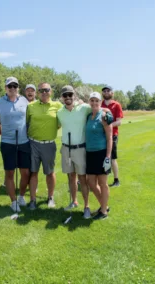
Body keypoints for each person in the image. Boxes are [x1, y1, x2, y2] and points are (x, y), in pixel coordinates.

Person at [0, 77, 30, 212]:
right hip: (7, 143)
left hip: (24, 142)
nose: (12, 88)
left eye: (15, 86)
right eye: (10, 86)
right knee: (10, 173)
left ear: (18, 87)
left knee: (25, 173)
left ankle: (21, 196)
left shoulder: (24, 100)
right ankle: (13, 202)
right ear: (5, 88)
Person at [57, 85, 95, 219]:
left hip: (80, 149)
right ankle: (74, 201)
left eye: (70, 95)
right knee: (70, 177)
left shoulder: (84, 108)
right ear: (62, 97)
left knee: (82, 179)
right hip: (66, 148)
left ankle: (87, 206)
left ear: (74, 96)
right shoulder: (60, 112)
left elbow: (97, 108)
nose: (68, 97)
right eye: (65, 95)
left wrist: (107, 110)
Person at [26, 82, 62, 210]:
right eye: (41, 90)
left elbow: (70, 112)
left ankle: (50, 197)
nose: (44, 92)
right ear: (38, 92)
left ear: (51, 91)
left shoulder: (58, 106)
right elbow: (25, 123)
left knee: (50, 173)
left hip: (49, 144)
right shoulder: (31, 106)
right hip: (33, 144)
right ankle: (32, 200)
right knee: (33, 172)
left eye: (47, 90)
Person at [86, 92, 113, 220]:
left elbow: (109, 138)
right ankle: (104, 205)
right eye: (92, 100)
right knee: (91, 182)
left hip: (102, 153)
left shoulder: (104, 116)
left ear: (100, 101)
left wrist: (108, 156)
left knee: (103, 183)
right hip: (90, 153)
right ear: (89, 102)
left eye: (96, 100)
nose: (94, 103)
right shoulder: (88, 116)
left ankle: (103, 211)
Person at [101, 85, 123, 187]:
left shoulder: (116, 105)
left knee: (112, 157)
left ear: (112, 93)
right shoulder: (100, 104)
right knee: (102, 156)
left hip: (112, 135)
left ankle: (116, 180)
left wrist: (108, 126)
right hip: (101, 135)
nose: (106, 92)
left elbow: (119, 122)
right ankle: (102, 179)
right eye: (104, 91)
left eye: (108, 91)